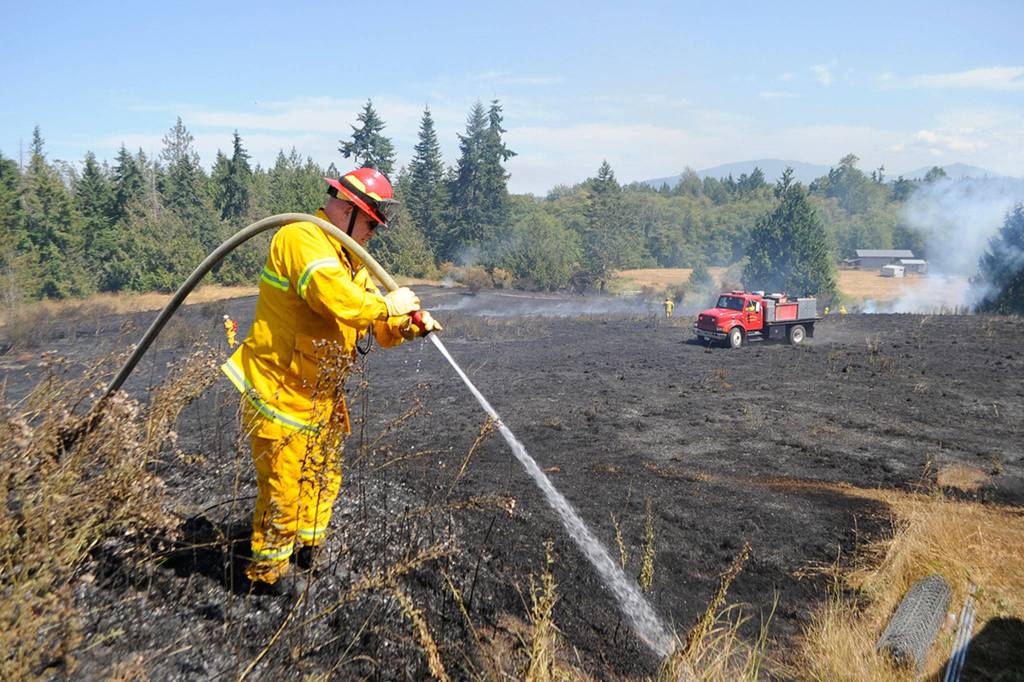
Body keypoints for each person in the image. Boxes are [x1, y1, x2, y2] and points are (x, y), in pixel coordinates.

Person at [221, 167, 441, 596]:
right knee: (284, 488)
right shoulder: (301, 238)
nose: (375, 234)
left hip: (319, 397)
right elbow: (335, 298)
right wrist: (386, 306)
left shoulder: (349, 260)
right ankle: (265, 579)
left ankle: (307, 552)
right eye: (372, 223)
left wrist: (405, 324)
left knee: (322, 479)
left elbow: (375, 325)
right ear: (346, 210)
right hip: (278, 391)